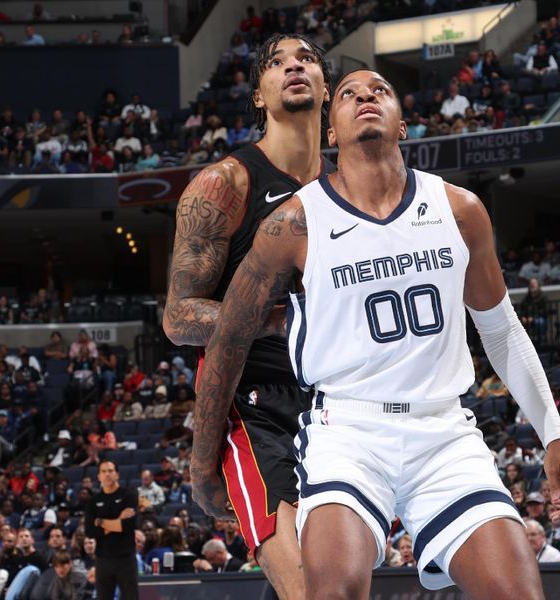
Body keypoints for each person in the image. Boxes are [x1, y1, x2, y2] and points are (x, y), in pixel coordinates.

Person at [192, 68, 560, 599]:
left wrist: (554, 433)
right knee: (330, 594)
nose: (365, 98)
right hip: (348, 431)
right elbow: (228, 341)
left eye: (380, 91)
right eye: (349, 94)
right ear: (332, 133)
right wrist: (201, 464)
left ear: (403, 125)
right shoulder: (294, 223)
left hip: (444, 432)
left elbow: (503, 331)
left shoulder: (460, 209)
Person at [163, 33, 334, 600]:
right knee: (310, 589)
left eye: (307, 58)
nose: (294, 66)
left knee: (335, 583)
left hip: (339, 404)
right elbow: (180, 317)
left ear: (326, 86)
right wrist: (277, 319)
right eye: (277, 62)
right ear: (258, 94)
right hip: (256, 406)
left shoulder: (348, 189)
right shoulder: (224, 184)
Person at [84, 460, 138, 600]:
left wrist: (100, 522)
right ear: (98, 476)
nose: (107, 474)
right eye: (103, 471)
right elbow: (90, 531)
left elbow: (128, 525)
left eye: (110, 471)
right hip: (103, 560)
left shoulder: (129, 495)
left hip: (126, 559)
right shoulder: (93, 501)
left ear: (117, 474)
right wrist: (118, 520)